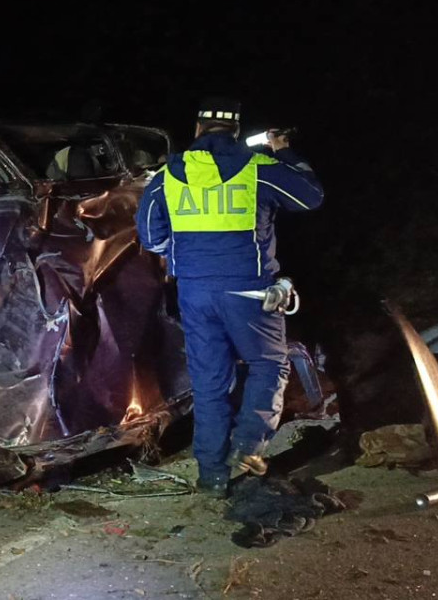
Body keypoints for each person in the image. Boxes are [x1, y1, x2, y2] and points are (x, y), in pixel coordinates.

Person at [135, 97, 323, 497]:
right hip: (249, 291)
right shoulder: (257, 168)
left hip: (195, 293)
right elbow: (310, 196)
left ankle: (212, 476)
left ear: (198, 129)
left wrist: (188, 256)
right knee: (268, 365)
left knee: (209, 383)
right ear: (236, 131)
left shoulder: (167, 176)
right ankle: (249, 444)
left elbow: (150, 237)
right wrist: (283, 150)